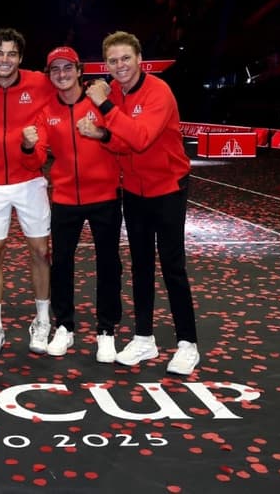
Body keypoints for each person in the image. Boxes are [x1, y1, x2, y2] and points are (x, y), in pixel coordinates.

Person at [80, 30, 200, 376]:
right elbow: (121, 143)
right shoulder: (116, 93)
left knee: (173, 266)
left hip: (168, 188)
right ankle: (144, 337)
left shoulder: (158, 91)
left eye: (125, 59)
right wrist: (100, 134)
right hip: (134, 190)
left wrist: (104, 106)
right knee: (141, 265)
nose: (120, 66)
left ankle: (187, 343)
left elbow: (142, 137)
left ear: (139, 58)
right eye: (113, 61)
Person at [20, 46, 123, 362]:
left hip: (105, 196)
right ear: (50, 76)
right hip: (65, 197)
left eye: (68, 68)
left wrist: (100, 131)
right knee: (61, 264)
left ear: (79, 70)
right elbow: (36, 159)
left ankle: (106, 331)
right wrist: (27, 146)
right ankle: (64, 326)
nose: (62, 74)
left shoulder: (101, 101)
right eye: (55, 70)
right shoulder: (47, 109)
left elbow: (122, 140)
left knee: (109, 265)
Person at [0, 28, 56, 356]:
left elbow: (71, 87)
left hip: (30, 180)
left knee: (41, 251)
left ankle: (43, 321)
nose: (5, 60)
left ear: (20, 57)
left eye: (12, 54)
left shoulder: (39, 84)